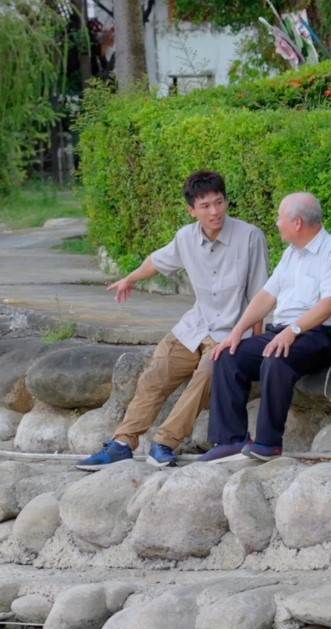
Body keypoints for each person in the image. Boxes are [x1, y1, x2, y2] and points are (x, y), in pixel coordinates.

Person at [76, 170, 269, 470]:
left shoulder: (250, 237)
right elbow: (157, 260)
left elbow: (260, 294)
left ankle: (164, 442)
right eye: (205, 206)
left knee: (207, 375)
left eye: (219, 202)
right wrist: (130, 279)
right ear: (192, 210)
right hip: (196, 325)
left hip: (232, 332)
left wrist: (255, 344)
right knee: (157, 373)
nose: (215, 211)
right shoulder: (185, 238)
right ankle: (122, 443)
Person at [199, 191, 331, 462]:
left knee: (276, 357)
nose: (276, 223)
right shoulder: (291, 253)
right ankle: (231, 440)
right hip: (286, 331)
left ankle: (268, 444)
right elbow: (266, 296)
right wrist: (236, 333)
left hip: (326, 333)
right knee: (228, 356)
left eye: (280, 217)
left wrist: (292, 331)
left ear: (297, 223)